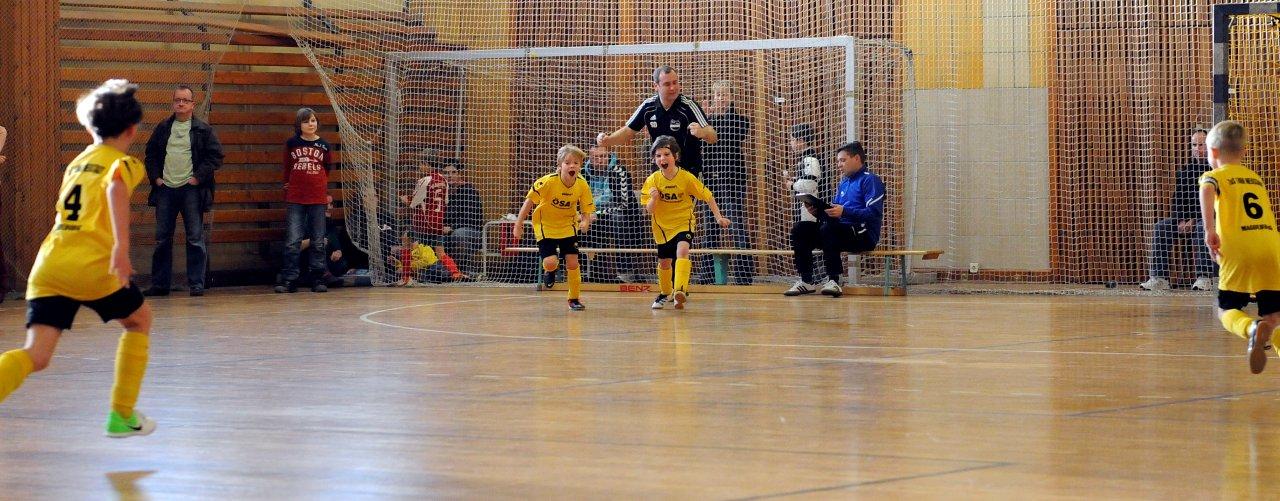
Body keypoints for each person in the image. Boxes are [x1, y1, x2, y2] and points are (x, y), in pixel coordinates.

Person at [0, 79, 157, 438]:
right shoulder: (124, 163)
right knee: (139, 320)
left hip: (51, 264)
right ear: (132, 130)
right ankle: (122, 414)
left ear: (89, 127)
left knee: (36, 355)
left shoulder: (78, 162)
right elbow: (116, 187)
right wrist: (120, 249)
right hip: (92, 265)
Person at [1198, 120, 1280, 374]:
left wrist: (1209, 230)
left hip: (1238, 248)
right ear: (1243, 151)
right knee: (1275, 316)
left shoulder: (1214, 175)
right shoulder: (1255, 178)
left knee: (1226, 309)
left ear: (1213, 152)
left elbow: (1207, 189)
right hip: (1271, 247)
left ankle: (1251, 329)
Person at [144, 85, 224, 297]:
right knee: (162, 239)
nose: (180, 103)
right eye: (177, 100)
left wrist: (197, 178)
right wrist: (156, 178)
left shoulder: (204, 130)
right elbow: (150, 155)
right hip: (165, 190)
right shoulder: (162, 128)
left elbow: (216, 156)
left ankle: (196, 284)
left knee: (195, 238)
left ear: (192, 104)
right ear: (173, 103)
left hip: (191, 191)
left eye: (185, 100)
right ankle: (160, 285)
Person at [641, 135, 731, 310]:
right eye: (658, 155)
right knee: (665, 262)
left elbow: (708, 196)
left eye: (666, 154)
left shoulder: (686, 177)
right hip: (662, 227)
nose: (662, 158)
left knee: (682, 251)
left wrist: (718, 217)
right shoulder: (652, 180)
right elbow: (649, 210)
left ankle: (679, 291)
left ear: (675, 156)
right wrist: (654, 199)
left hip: (684, 222)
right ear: (654, 159)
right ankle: (664, 292)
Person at [784, 141, 884, 298]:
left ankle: (833, 280)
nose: (839, 165)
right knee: (800, 229)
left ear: (857, 158)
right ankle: (806, 281)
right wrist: (818, 213)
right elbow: (835, 214)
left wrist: (844, 211)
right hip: (837, 232)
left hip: (863, 234)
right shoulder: (844, 183)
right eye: (838, 161)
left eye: (843, 160)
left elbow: (873, 213)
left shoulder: (870, 180)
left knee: (829, 229)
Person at [514, 145, 596, 310]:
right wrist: (518, 224)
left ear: (580, 166)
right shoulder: (548, 181)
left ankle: (574, 299)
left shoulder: (582, 184)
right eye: (567, 162)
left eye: (576, 163)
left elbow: (586, 207)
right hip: (546, 225)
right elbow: (529, 202)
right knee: (551, 262)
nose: (572, 166)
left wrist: (585, 221)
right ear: (560, 165)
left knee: (573, 262)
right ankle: (550, 271)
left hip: (568, 225)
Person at [596, 66, 717, 177]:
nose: (673, 88)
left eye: (675, 82)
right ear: (656, 86)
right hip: (661, 170)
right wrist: (607, 140)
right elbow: (628, 131)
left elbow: (713, 136)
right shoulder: (648, 107)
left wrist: (703, 133)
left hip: (688, 171)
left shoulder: (689, 106)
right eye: (667, 84)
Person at [1141, 128, 1215, 291]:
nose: (1197, 149)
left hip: (1208, 219)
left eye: (1201, 145)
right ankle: (1159, 278)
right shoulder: (1184, 172)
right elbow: (1178, 200)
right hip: (1185, 219)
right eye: (1194, 145)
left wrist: (1194, 220)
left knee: (1202, 228)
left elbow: (1215, 202)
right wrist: (1180, 220)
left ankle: (1204, 277)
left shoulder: (1215, 171)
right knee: (1161, 227)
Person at [698, 80, 755, 284]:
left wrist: (709, 122)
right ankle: (707, 276)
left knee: (737, 227)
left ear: (731, 97)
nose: (720, 98)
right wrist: (705, 120)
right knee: (710, 229)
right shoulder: (706, 121)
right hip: (710, 180)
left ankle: (743, 277)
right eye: (717, 95)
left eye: (724, 94)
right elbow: (700, 141)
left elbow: (723, 136)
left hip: (733, 180)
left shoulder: (740, 121)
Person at [276, 108, 333, 293]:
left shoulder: (324, 145)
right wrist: (288, 185)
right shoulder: (292, 143)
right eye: (306, 121)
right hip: (296, 198)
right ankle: (290, 279)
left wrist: (319, 186)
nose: (311, 124)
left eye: (313, 120)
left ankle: (318, 278)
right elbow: (287, 167)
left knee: (318, 240)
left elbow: (327, 168)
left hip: (317, 198)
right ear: (298, 124)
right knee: (293, 240)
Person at [581, 144, 645, 283]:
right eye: (596, 157)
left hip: (618, 213)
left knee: (619, 219)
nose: (600, 160)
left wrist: (597, 213)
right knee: (580, 222)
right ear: (590, 158)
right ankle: (594, 272)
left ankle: (625, 271)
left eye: (603, 156)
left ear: (608, 156)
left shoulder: (620, 172)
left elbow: (623, 204)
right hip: (591, 214)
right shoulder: (582, 174)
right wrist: (586, 214)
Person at [441, 162, 483, 275]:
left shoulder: (469, 191)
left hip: (472, 231)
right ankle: (442, 270)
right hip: (446, 230)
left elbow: (470, 218)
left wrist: (451, 228)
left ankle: (461, 270)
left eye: (453, 172)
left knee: (459, 234)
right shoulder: (442, 193)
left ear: (460, 174)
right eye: (446, 173)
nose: (449, 176)